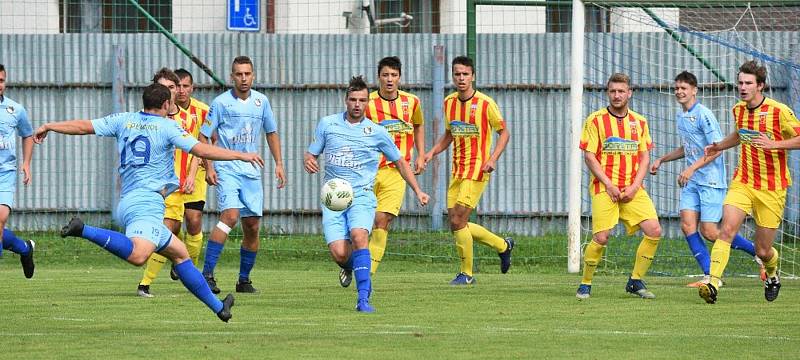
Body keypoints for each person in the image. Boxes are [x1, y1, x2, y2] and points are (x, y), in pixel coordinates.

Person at [33, 83, 265, 322]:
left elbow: (84, 126)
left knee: (181, 255)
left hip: (129, 201)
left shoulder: (124, 120)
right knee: (138, 255)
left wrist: (50, 126)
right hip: (147, 203)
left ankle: (220, 308)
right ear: (166, 105)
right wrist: (241, 154)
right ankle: (84, 229)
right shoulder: (168, 126)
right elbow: (202, 150)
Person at [304, 75, 429, 312]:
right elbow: (311, 153)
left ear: (367, 103)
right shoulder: (327, 124)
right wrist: (308, 160)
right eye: (353, 99)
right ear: (346, 100)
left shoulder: (377, 132)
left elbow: (401, 162)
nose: (357, 105)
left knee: (360, 236)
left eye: (362, 100)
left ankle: (363, 298)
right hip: (334, 199)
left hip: (361, 195)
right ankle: (350, 266)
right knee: (340, 253)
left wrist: (418, 190)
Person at [650, 71, 765, 287]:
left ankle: (758, 253)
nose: (679, 92)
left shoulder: (704, 114)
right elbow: (688, 148)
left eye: (684, 88)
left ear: (694, 90)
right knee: (687, 225)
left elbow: (716, 149)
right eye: (676, 88)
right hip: (693, 180)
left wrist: (691, 169)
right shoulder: (681, 116)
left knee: (710, 231)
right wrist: (662, 160)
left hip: (710, 180)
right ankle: (709, 276)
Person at [700, 60, 800, 304]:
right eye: (740, 83)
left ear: (761, 86)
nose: (742, 87)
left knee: (763, 251)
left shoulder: (779, 111)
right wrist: (718, 146)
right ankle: (712, 283)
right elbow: (740, 134)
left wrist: (774, 144)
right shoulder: (739, 110)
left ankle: (773, 275)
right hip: (743, 182)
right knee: (726, 231)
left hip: (772, 188)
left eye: (748, 83)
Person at [422, 56, 513, 285]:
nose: (461, 78)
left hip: (478, 170)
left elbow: (504, 133)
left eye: (465, 74)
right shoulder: (449, 102)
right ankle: (503, 245)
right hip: (457, 170)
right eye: (457, 74)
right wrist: (431, 153)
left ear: (473, 76)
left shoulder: (485, 104)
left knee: (458, 219)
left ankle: (467, 274)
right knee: (455, 222)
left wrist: (492, 158)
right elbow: (450, 134)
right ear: (452, 76)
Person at [199, 56, 286, 294]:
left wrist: (279, 164)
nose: (243, 78)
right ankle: (206, 275)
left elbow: (272, 132)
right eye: (239, 74)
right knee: (230, 215)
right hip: (227, 168)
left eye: (247, 74)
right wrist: (209, 167)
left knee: (252, 226)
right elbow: (203, 135)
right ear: (232, 76)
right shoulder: (221, 103)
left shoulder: (262, 102)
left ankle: (244, 280)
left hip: (251, 171)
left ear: (253, 75)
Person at [576, 72, 662, 300]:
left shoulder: (640, 121)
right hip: (605, 188)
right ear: (608, 93)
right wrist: (609, 184)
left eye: (621, 91)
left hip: (633, 189)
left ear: (629, 93)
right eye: (613, 91)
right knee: (602, 237)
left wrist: (635, 186)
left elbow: (644, 157)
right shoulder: (595, 120)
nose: (617, 95)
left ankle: (635, 281)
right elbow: (589, 157)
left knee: (654, 231)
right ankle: (585, 283)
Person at [137, 68, 211, 297]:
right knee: (168, 229)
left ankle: (190, 272)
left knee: (194, 222)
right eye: (165, 88)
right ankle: (145, 283)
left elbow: (196, 147)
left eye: (172, 87)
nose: (170, 92)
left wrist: (192, 175)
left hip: (189, 180)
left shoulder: (188, 118)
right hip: (166, 186)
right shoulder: (146, 118)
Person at [361, 56, 426, 280]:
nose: (390, 79)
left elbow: (418, 125)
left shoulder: (412, 102)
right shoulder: (366, 103)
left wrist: (421, 154)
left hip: (397, 171)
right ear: (378, 77)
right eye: (385, 75)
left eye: (394, 75)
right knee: (359, 225)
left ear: (400, 77)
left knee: (382, 220)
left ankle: (367, 274)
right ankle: (351, 262)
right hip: (367, 171)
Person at [0, 64, 35, 278]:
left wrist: (26, 163)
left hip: (4, 173)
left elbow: (28, 134)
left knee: (0, 217)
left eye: (1, 80)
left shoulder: (15, 109)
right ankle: (24, 249)